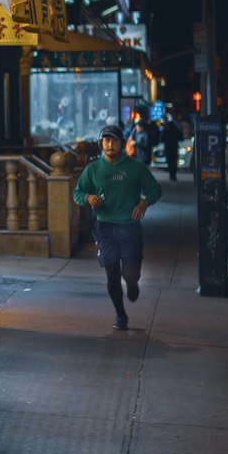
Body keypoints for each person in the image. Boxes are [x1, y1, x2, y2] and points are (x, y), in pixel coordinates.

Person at [74, 124, 163, 330]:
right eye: (105, 140)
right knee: (112, 275)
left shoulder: (136, 168)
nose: (109, 144)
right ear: (101, 144)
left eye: (113, 140)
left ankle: (132, 282)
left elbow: (155, 190)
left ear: (121, 143)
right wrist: (88, 197)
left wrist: (144, 202)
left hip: (129, 227)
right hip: (105, 228)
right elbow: (77, 193)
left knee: (130, 273)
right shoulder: (93, 169)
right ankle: (121, 315)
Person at [161, 115, 182, 181]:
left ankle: (171, 175)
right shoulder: (176, 129)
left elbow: (161, 138)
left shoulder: (166, 129)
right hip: (174, 146)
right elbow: (181, 138)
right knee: (174, 161)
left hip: (168, 147)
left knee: (169, 161)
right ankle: (174, 175)